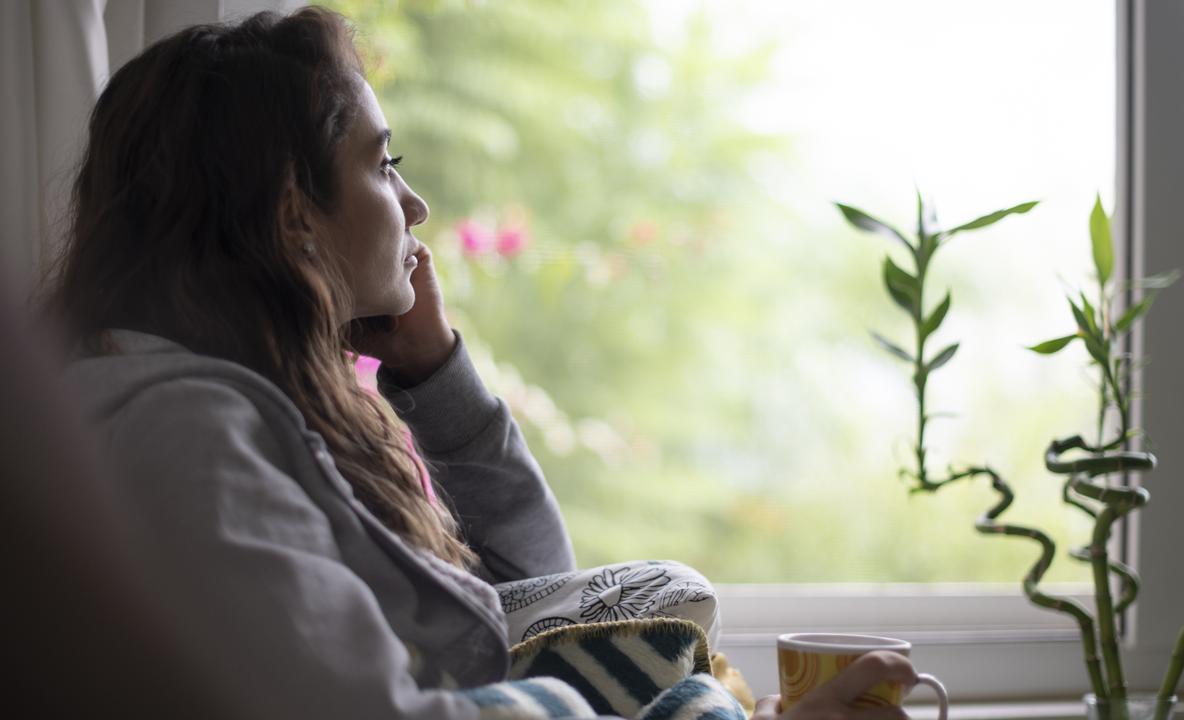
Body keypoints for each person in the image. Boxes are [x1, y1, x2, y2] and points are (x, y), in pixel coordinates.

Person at [35, 6, 922, 718]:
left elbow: (523, 607)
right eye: (383, 165)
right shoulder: (187, 435)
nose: (415, 204)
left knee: (662, 598)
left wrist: (434, 375)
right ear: (292, 214)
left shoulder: (236, 413)